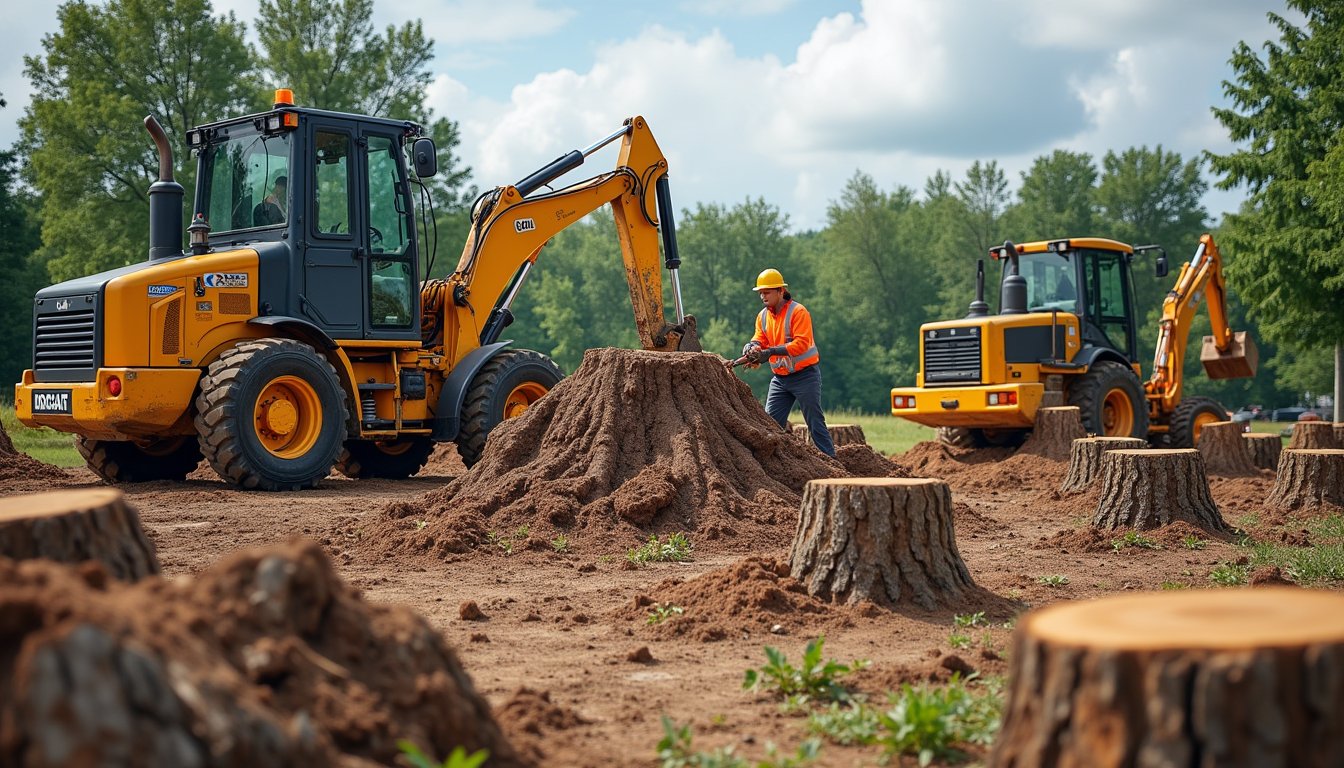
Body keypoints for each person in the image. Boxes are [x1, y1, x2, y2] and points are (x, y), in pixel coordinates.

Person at [725, 268, 835, 457]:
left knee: (815, 422)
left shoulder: (798, 312)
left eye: (767, 292)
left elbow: (801, 344)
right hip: (780, 380)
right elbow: (759, 338)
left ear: (781, 291)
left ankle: (832, 460)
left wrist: (770, 352)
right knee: (770, 423)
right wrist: (751, 347)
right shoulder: (763, 316)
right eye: (761, 293)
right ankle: (777, 465)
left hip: (805, 376)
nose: (762, 296)